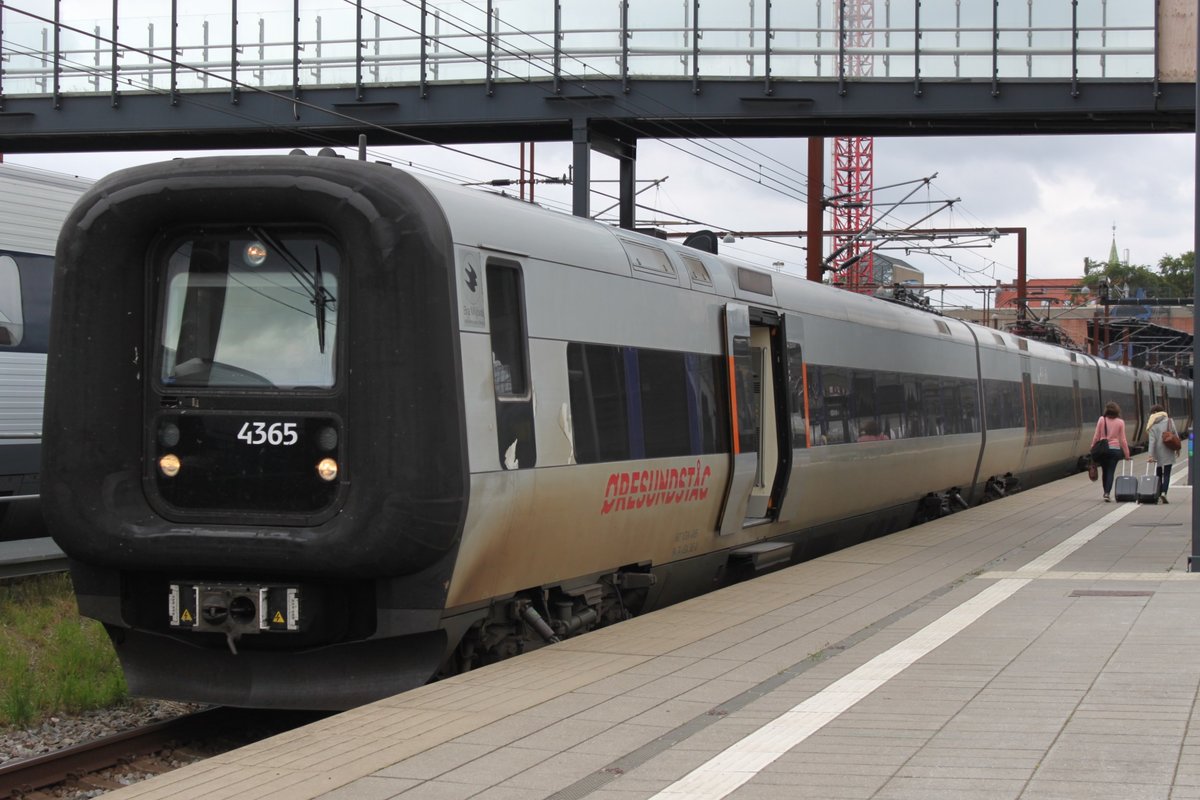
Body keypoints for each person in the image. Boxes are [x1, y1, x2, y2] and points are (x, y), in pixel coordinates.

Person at [1090, 401, 1130, 502]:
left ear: (1106, 410)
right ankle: (1107, 493)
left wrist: (1092, 446)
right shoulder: (1120, 422)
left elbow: (1096, 435)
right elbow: (1123, 440)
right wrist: (1127, 454)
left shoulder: (1102, 419)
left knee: (1104, 471)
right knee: (1111, 472)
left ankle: (1105, 492)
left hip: (1104, 450)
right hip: (1115, 450)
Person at [1144, 403, 1177, 504]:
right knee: (1167, 473)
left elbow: (1152, 442)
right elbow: (1175, 434)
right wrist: (1178, 448)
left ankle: (1158, 494)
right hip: (1168, 449)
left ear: (1154, 413)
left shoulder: (1152, 424)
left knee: (1158, 474)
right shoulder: (1170, 421)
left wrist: (1150, 455)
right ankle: (1164, 492)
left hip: (1157, 451)